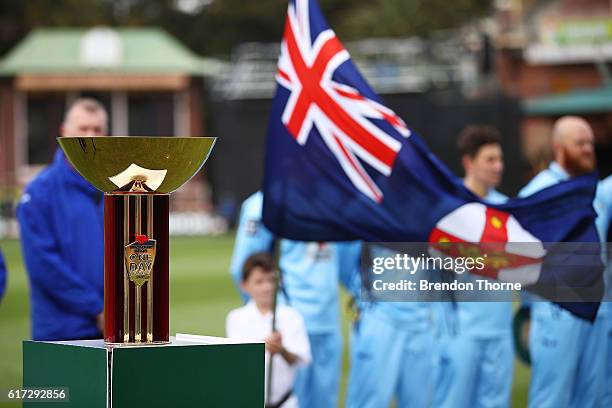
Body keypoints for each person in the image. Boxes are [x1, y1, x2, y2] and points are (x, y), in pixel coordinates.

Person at [230, 191, 360, 408]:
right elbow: (244, 268)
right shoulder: (263, 204)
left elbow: (349, 267)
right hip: (288, 324)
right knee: (288, 399)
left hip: (327, 325)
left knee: (324, 401)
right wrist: (266, 314)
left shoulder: (336, 199)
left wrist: (364, 299)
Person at [519, 116, 607, 407]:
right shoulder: (538, 192)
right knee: (553, 398)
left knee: (596, 397)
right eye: (579, 143)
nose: (587, 149)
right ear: (559, 147)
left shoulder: (593, 190)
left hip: (598, 312)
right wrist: (529, 311)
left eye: (590, 143)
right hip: (557, 312)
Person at [434, 125, 514, 408]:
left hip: (500, 331)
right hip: (461, 331)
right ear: (469, 162)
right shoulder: (448, 207)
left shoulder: (507, 208)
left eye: (500, 159)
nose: (498, 166)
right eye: (490, 160)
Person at [17, 98, 107, 341]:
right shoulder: (39, 192)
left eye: (97, 130)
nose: (91, 136)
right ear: (64, 133)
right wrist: (96, 308)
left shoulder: (114, 189)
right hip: (62, 332)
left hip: (112, 328)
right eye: (83, 129)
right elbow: (43, 265)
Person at [346, 244, 438, 408]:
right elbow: (345, 259)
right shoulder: (371, 218)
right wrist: (363, 296)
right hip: (380, 318)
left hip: (421, 323)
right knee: (369, 402)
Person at [226, 252, 311, 408]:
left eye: (271, 280)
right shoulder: (236, 318)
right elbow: (238, 363)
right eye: (258, 282)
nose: (266, 287)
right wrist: (261, 347)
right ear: (244, 285)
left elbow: (298, 359)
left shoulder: (291, 316)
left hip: (285, 402)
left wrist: (281, 350)